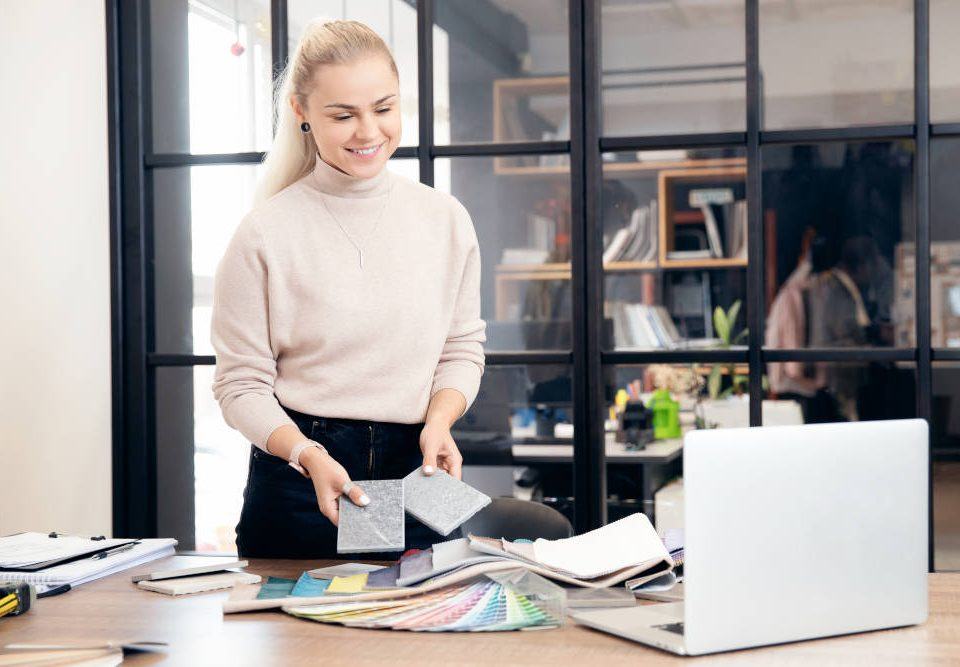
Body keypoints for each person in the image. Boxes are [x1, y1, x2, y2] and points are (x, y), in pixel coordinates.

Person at [210, 20, 486, 558]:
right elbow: (239, 385)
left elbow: (461, 348)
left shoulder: (445, 220)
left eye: (383, 109)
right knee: (299, 633)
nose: (368, 132)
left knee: (424, 630)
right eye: (343, 115)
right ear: (302, 113)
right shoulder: (265, 233)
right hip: (304, 475)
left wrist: (440, 420)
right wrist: (308, 454)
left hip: (418, 468)